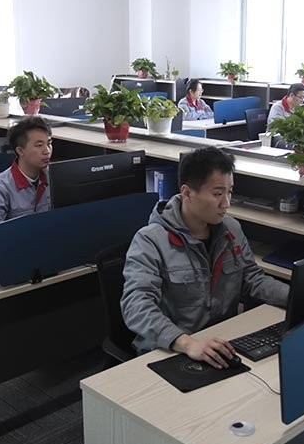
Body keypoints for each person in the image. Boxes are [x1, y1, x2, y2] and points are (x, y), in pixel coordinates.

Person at [121, 147, 289, 368]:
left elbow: (253, 279)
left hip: (220, 343)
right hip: (171, 349)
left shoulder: (231, 230)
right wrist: (187, 343)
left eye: (230, 192)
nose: (226, 203)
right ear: (187, 193)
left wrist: (299, 297)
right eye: (218, 194)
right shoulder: (150, 241)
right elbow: (136, 306)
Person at [0, 116, 52, 242]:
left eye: (49, 144)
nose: (47, 151)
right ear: (20, 151)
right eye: (39, 145)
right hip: (20, 246)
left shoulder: (54, 178)